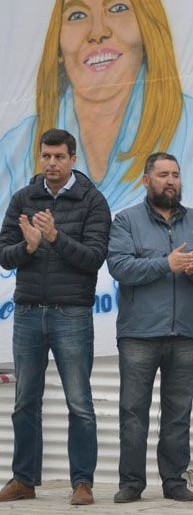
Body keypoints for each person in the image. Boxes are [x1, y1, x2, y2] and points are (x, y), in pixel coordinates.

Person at [0, 0, 193, 212]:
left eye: (117, 8)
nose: (98, 32)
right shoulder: (14, 152)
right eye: (77, 15)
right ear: (58, 44)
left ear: (147, 28)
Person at [0, 128, 111, 505]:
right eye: (45, 156)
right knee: (24, 402)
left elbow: (94, 257)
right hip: (28, 312)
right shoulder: (23, 198)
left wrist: (54, 239)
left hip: (72, 314)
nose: (51, 163)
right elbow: (4, 254)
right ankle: (23, 480)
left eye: (59, 157)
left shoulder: (93, 200)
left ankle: (82, 483)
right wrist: (28, 247)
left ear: (73, 159)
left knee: (79, 402)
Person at [106, 152, 193, 503]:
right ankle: (131, 483)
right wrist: (165, 264)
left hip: (184, 333)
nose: (171, 181)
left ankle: (174, 481)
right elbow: (119, 266)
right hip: (138, 334)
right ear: (146, 181)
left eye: (175, 174)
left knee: (178, 413)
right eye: (162, 175)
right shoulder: (126, 220)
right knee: (133, 413)